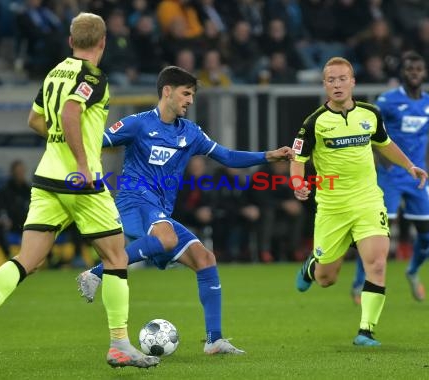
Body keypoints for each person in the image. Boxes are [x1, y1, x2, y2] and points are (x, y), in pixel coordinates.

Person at [0, 12, 160, 370]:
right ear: (102, 43)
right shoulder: (93, 77)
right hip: (81, 182)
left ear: (71, 41)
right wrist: (82, 162)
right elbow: (70, 114)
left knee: (28, 259)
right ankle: (119, 345)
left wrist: (60, 143)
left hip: (47, 178)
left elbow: (35, 120)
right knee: (116, 259)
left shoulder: (55, 72)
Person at [76, 65, 293, 354]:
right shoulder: (138, 124)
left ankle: (214, 340)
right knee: (168, 238)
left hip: (160, 211)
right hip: (134, 202)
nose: (190, 100)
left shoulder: (190, 133)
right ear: (167, 91)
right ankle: (96, 273)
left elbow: (226, 156)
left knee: (205, 259)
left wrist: (268, 155)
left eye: (192, 95)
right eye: (186, 93)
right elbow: (94, 142)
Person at [292, 57, 428, 347]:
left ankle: (366, 331)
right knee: (327, 278)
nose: (337, 84)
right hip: (332, 207)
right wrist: (298, 183)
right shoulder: (314, 122)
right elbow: (298, 158)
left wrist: (409, 166)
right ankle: (312, 266)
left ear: (353, 82)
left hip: (368, 200)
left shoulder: (371, 114)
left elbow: (385, 144)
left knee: (377, 263)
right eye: (331, 80)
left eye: (343, 79)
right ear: (324, 85)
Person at [351, 51, 429, 304]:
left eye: (418, 69)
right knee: (376, 234)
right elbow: (370, 132)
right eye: (410, 69)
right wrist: (384, 165)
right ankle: (359, 283)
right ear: (403, 73)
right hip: (389, 177)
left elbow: (422, 136)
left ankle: (412, 271)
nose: (414, 73)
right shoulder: (387, 101)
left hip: (416, 176)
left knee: (427, 234)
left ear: (424, 73)